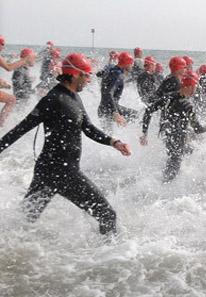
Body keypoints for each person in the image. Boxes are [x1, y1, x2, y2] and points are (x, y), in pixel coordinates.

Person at [0, 53, 132, 235]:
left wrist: (114, 142)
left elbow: (88, 128)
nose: (88, 80)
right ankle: (109, 256)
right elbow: (21, 128)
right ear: (74, 74)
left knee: (24, 221)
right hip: (61, 171)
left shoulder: (75, 97)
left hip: (49, 170)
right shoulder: (53, 99)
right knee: (107, 215)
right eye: (86, 75)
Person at [140, 72, 206, 182]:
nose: (196, 90)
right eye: (196, 87)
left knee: (194, 153)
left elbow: (148, 111)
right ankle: (161, 190)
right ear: (191, 87)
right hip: (178, 142)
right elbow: (198, 129)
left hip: (168, 138)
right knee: (171, 173)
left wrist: (144, 134)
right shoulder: (187, 105)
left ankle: (164, 180)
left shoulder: (168, 97)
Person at [141, 56, 187, 139]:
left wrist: (144, 133)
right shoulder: (176, 83)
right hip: (173, 125)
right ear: (178, 68)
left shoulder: (167, 79)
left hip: (165, 123)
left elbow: (153, 101)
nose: (186, 69)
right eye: (184, 67)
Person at [0, 36, 37, 126]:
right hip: (21, 96)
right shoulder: (20, 69)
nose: (4, 47)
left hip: (24, 96)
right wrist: (25, 59)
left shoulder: (25, 69)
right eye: (3, 44)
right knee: (12, 100)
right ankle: (1, 125)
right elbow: (9, 67)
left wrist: (2, 83)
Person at [98, 51, 138, 131]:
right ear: (127, 63)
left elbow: (98, 74)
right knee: (136, 116)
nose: (132, 66)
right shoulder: (118, 75)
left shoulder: (111, 69)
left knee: (108, 136)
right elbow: (109, 93)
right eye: (131, 63)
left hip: (103, 109)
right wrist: (115, 112)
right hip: (110, 110)